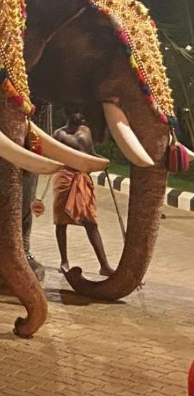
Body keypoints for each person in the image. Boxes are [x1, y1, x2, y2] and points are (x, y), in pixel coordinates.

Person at [52, 113, 115, 276]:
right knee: (61, 221)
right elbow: (53, 156)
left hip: (82, 178)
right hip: (65, 178)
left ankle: (104, 266)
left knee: (90, 222)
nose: (79, 122)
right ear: (68, 118)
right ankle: (64, 261)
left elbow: (91, 152)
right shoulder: (59, 134)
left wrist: (102, 161)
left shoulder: (86, 131)